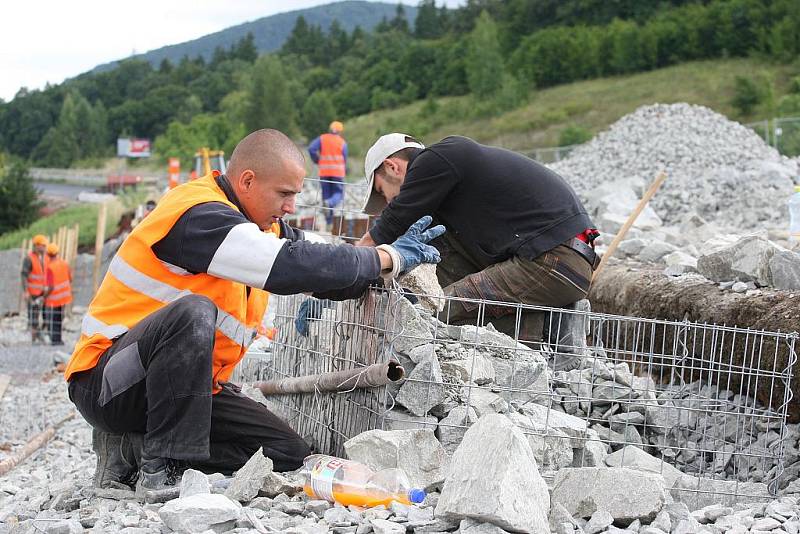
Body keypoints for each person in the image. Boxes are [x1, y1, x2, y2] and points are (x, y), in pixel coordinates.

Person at [63, 129, 444, 497]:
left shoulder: (260, 227)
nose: (291, 206)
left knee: (286, 453)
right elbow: (286, 265)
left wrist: (385, 263)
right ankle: (162, 469)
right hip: (107, 383)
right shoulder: (197, 215)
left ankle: (130, 451)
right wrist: (386, 255)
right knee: (193, 313)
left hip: (185, 390)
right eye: (284, 193)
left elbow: (320, 259)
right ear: (247, 180)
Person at [357, 133, 598, 345]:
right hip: (557, 259)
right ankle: (543, 324)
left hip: (553, 260)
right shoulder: (451, 184)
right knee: (435, 254)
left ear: (392, 167)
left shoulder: (439, 157)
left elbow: (393, 221)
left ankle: (552, 329)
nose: (388, 202)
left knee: (436, 310)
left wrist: (356, 261)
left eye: (381, 191)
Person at [308, 121, 348, 229]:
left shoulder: (322, 138)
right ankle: (330, 204)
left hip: (324, 172)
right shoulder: (342, 142)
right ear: (340, 131)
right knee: (338, 194)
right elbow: (344, 158)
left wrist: (318, 160)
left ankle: (328, 223)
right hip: (338, 173)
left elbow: (311, 149)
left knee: (326, 196)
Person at [21, 234, 50, 344]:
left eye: (44, 245)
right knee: (33, 315)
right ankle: (34, 338)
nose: (44, 247)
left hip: (44, 293)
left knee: (46, 314)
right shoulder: (29, 258)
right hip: (33, 293)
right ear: (36, 246)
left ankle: (41, 333)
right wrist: (26, 291)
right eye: (42, 245)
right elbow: (24, 275)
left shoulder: (46, 258)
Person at [43, 243, 72, 346]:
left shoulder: (50, 267)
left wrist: (44, 297)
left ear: (48, 255)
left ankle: (55, 340)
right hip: (64, 297)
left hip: (55, 299)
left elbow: (51, 287)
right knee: (59, 318)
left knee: (54, 319)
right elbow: (70, 279)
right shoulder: (64, 263)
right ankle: (59, 339)